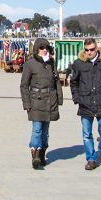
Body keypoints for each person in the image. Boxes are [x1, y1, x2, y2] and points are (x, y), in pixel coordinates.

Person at [70, 38, 101, 171]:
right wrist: (77, 98)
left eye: (91, 49)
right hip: (85, 103)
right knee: (87, 134)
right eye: (86, 50)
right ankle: (91, 158)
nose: (89, 52)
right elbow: (74, 82)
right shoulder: (79, 63)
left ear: (96, 48)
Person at [20, 38, 62, 169]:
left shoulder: (51, 62)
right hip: (36, 100)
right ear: (37, 49)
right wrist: (26, 103)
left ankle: (43, 152)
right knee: (37, 129)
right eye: (41, 48)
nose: (44, 50)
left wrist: (59, 98)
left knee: (45, 131)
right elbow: (24, 85)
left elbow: (56, 82)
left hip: (50, 100)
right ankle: (35, 154)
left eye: (46, 48)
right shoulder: (30, 63)